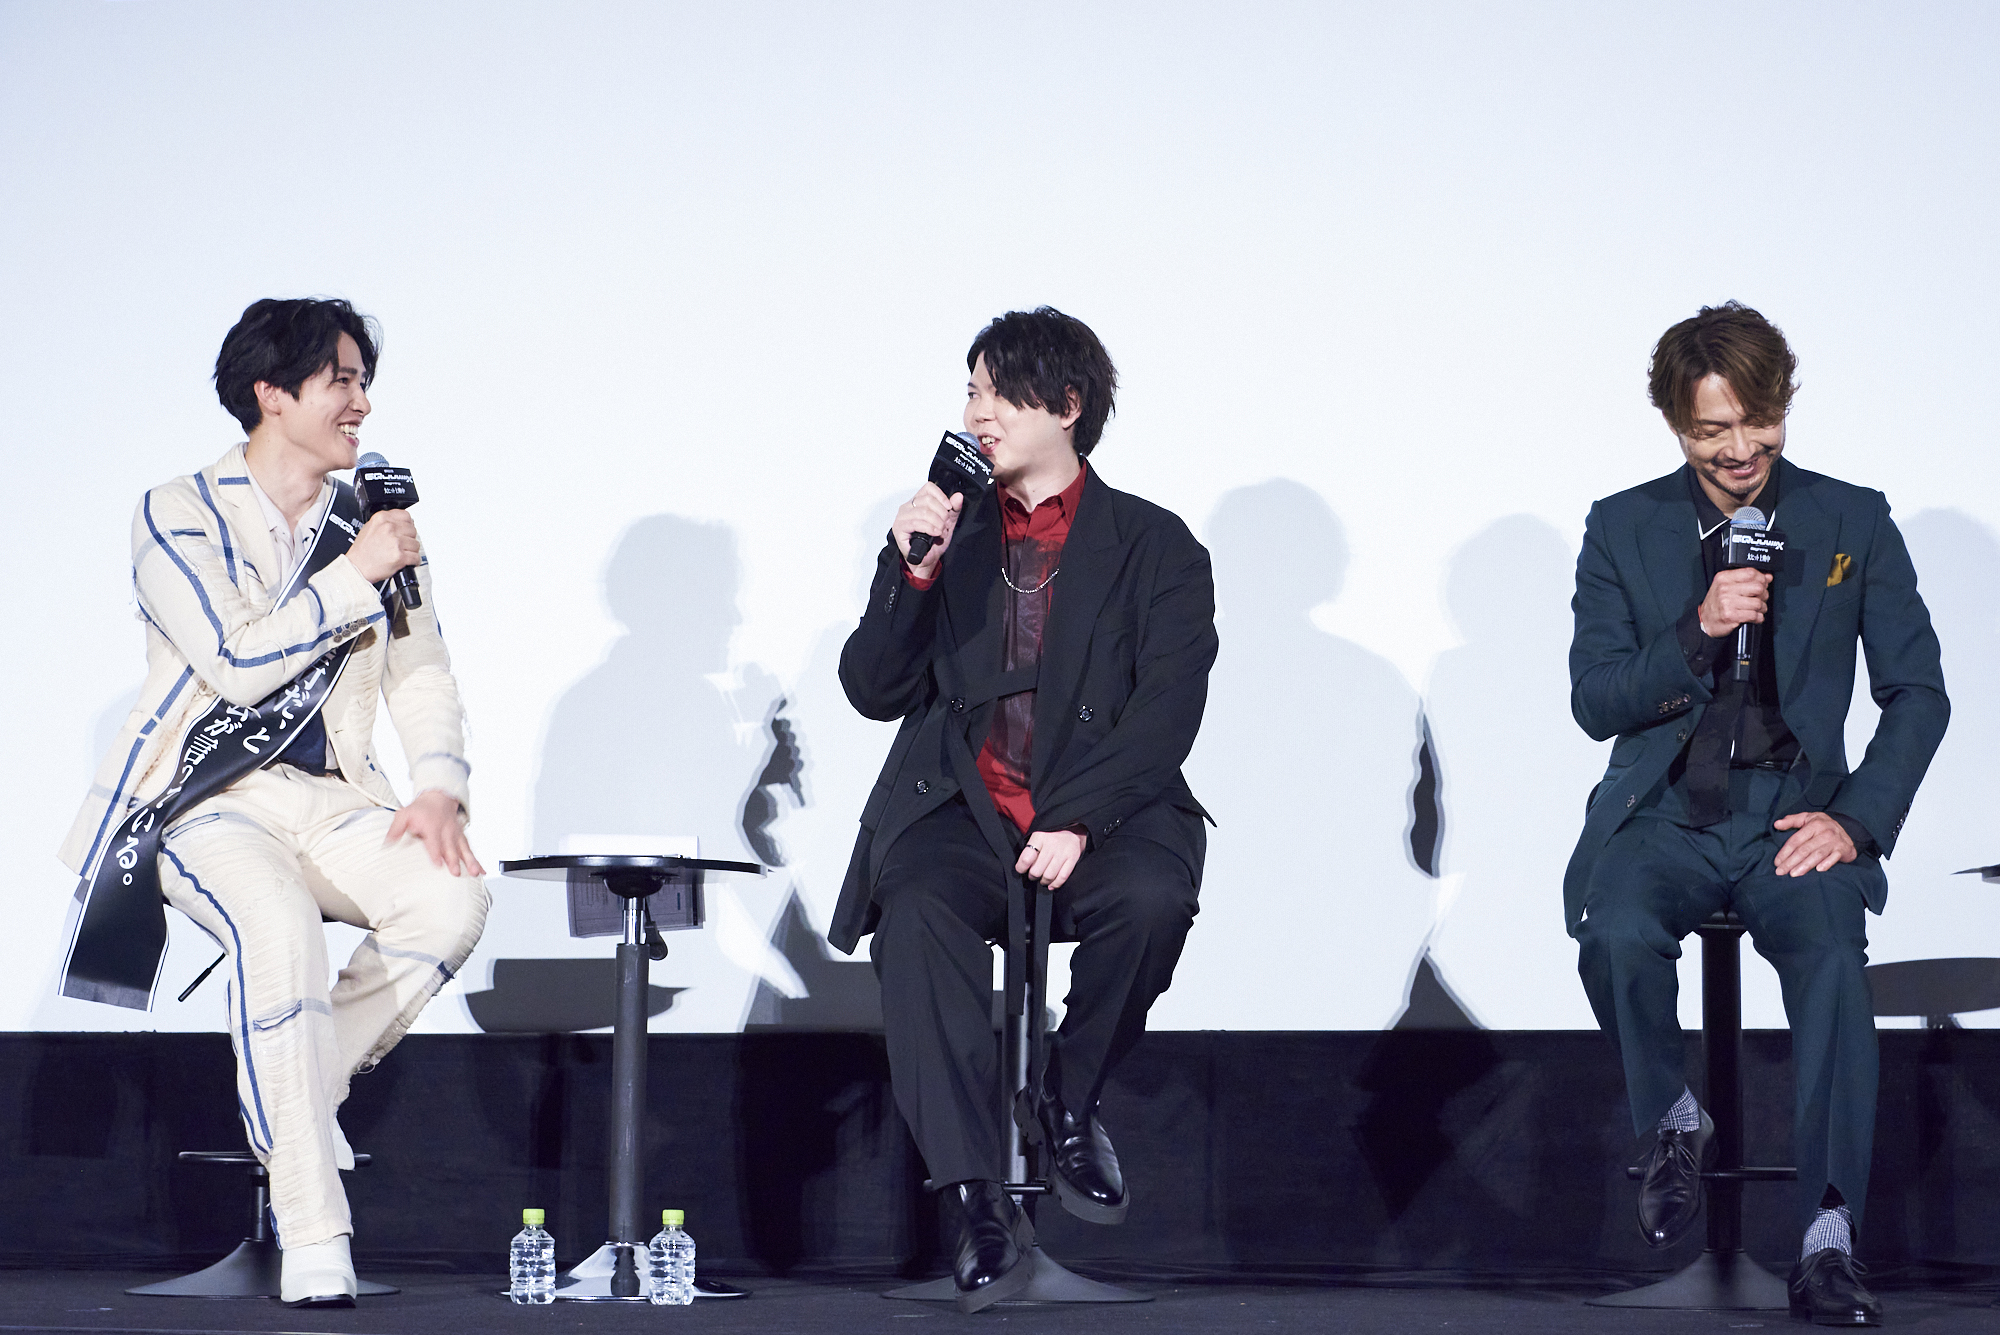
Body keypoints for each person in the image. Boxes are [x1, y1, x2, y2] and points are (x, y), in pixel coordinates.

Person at [56, 298, 489, 1307]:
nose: (362, 404)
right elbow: (237, 660)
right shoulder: (178, 510)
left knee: (450, 897)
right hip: (204, 801)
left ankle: (291, 1098)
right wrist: (358, 573)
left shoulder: (372, 521)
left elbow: (422, 669)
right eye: (342, 381)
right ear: (271, 392)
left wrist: (439, 785)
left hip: (333, 796)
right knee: (277, 928)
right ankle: (316, 1238)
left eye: (363, 382)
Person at [1565, 301, 1947, 1325]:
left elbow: (1917, 692)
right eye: (1711, 430)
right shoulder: (1621, 525)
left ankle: (1826, 1240)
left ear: (1784, 404)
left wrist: (1855, 821)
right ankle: (1672, 1117)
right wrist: (1696, 630)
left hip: (1796, 817)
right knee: (1613, 930)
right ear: (1674, 426)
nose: (1739, 450)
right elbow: (1594, 699)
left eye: (1758, 421)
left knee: (1831, 964)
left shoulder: (1851, 519)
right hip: (1665, 813)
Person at [833, 307, 1215, 1311]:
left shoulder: (1156, 545)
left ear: (1068, 405)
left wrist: (1076, 817)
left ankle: (1067, 1097)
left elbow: (1165, 713)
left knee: (1150, 899)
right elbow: (872, 688)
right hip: (964, 809)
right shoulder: (948, 530)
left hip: (1105, 813)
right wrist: (912, 569)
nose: (977, 415)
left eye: (998, 393)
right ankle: (973, 1201)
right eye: (970, 393)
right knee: (915, 908)